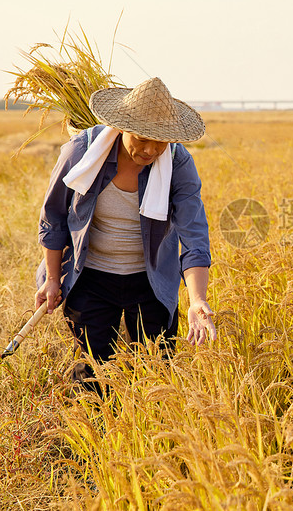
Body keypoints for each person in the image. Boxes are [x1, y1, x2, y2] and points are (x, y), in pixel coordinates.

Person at [34, 77, 215, 392]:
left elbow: (194, 234)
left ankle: (145, 437)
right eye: (142, 138)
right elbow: (54, 219)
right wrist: (52, 278)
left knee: (157, 373)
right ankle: (97, 435)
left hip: (150, 280)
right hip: (90, 275)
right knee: (92, 373)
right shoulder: (80, 153)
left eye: (160, 141)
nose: (150, 150)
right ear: (120, 127)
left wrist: (197, 300)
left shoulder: (177, 162)